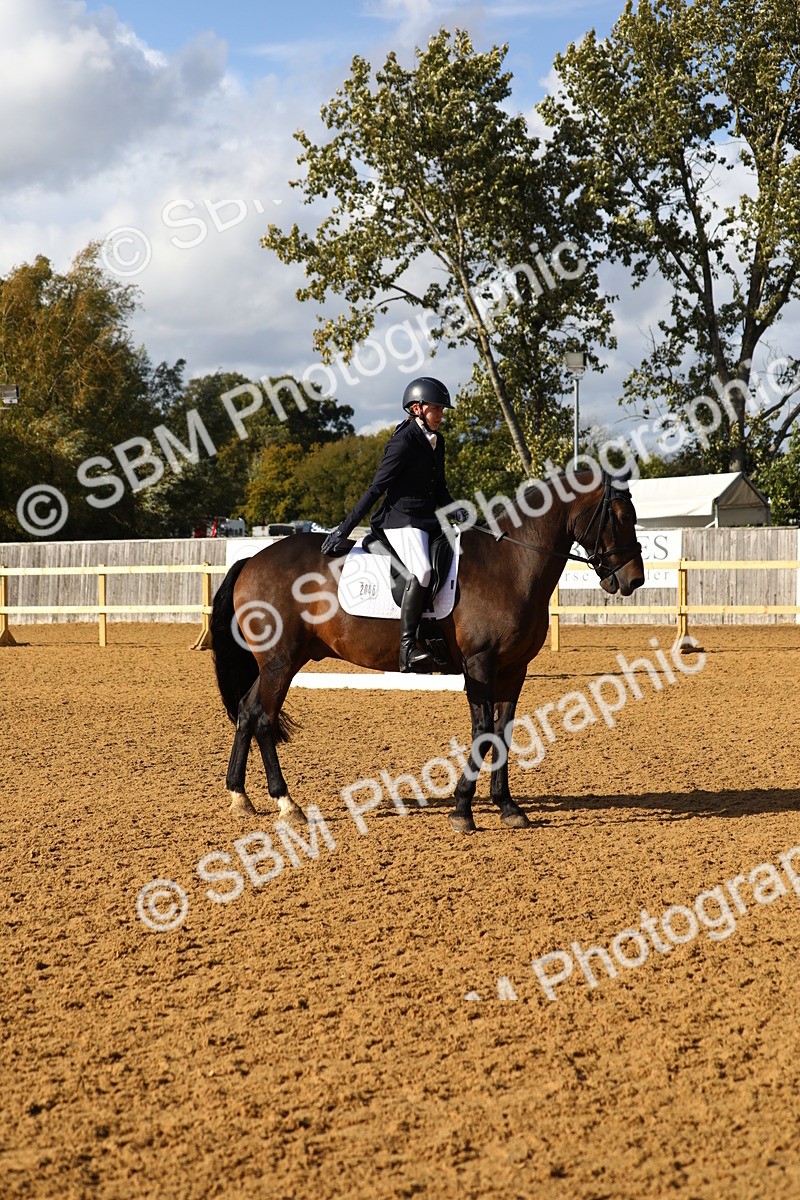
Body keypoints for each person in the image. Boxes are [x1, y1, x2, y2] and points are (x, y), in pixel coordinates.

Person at [321, 376, 465, 672]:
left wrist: (458, 512)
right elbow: (377, 488)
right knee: (422, 572)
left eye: (441, 410)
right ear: (416, 408)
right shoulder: (402, 441)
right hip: (400, 521)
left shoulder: (438, 442)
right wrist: (344, 529)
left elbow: (440, 491)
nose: (440, 415)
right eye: (436, 409)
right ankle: (408, 648)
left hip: (426, 520)